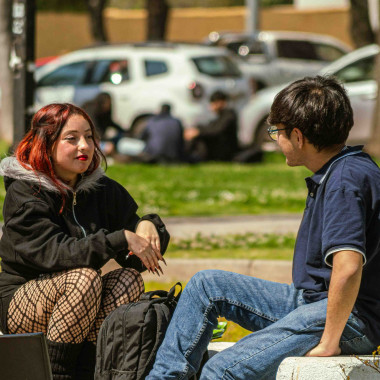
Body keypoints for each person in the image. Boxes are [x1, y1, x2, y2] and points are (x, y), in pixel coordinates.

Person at [147, 76, 380, 379]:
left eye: (275, 132)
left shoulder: (344, 182)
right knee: (207, 286)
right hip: (312, 302)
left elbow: (348, 268)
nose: (274, 140)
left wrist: (329, 343)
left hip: (348, 318)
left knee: (222, 371)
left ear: (297, 136)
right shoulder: (347, 167)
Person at [0, 103, 169, 380]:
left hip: (79, 299)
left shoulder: (101, 189)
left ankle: (95, 372)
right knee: (84, 278)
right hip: (21, 298)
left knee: (127, 280)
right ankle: (58, 374)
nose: (84, 146)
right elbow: (56, 254)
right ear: (46, 143)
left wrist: (147, 224)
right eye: (72, 138)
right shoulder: (25, 193)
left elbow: (134, 258)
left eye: (89, 137)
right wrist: (120, 238)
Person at [185, 90, 238, 161]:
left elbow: (216, 131)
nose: (211, 107)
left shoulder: (229, 116)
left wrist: (198, 132)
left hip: (225, 151)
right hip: (220, 149)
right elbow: (210, 127)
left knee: (200, 137)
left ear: (220, 103)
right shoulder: (222, 116)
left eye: (213, 104)